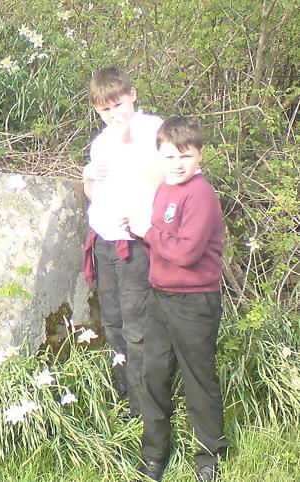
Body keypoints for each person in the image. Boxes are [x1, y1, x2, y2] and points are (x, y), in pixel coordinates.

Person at [124, 116, 228, 482]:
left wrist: (148, 232)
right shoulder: (165, 190)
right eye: (169, 157)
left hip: (194, 302)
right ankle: (154, 455)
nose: (178, 164)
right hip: (161, 298)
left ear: (200, 154)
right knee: (153, 375)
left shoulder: (200, 193)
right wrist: (137, 232)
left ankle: (209, 458)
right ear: (160, 157)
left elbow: (185, 253)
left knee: (198, 379)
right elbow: (161, 241)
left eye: (186, 155)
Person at [82, 67, 164, 418]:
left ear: (133, 95)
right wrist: (86, 177)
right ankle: (124, 397)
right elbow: (94, 196)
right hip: (104, 240)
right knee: (113, 322)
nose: (113, 114)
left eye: (118, 104)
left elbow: (166, 178)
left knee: (137, 328)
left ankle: (147, 408)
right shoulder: (100, 143)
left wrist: (129, 141)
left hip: (135, 244)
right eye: (105, 110)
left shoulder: (152, 129)